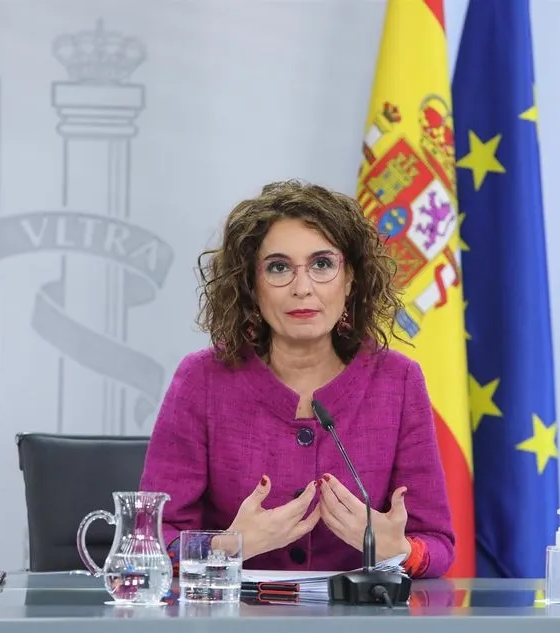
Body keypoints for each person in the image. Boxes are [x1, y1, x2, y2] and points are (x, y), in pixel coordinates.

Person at [139, 179, 455, 579]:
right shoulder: (202, 379)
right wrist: (226, 547)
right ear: (251, 286)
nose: (302, 288)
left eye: (323, 264)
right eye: (278, 268)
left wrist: (399, 550)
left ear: (351, 278)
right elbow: (148, 540)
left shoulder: (398, 381)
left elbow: (438, 545)